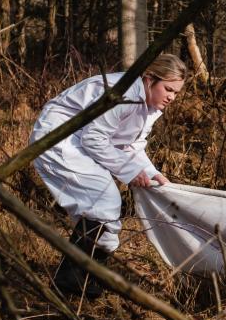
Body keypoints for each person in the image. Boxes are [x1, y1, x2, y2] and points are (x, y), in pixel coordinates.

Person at [29, 54, 187, 296]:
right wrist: (131, 172)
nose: (172, 97)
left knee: (106, 215)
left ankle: (86, 281)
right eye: (168, 89)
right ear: (149, 79)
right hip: (59, 138)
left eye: (176, 93)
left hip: (81, 141)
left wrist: (151, 173)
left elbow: (131, 144)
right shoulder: (123, 94)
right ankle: (69, 279)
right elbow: (93, 138)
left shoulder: (149, 106)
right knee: (105, 203)